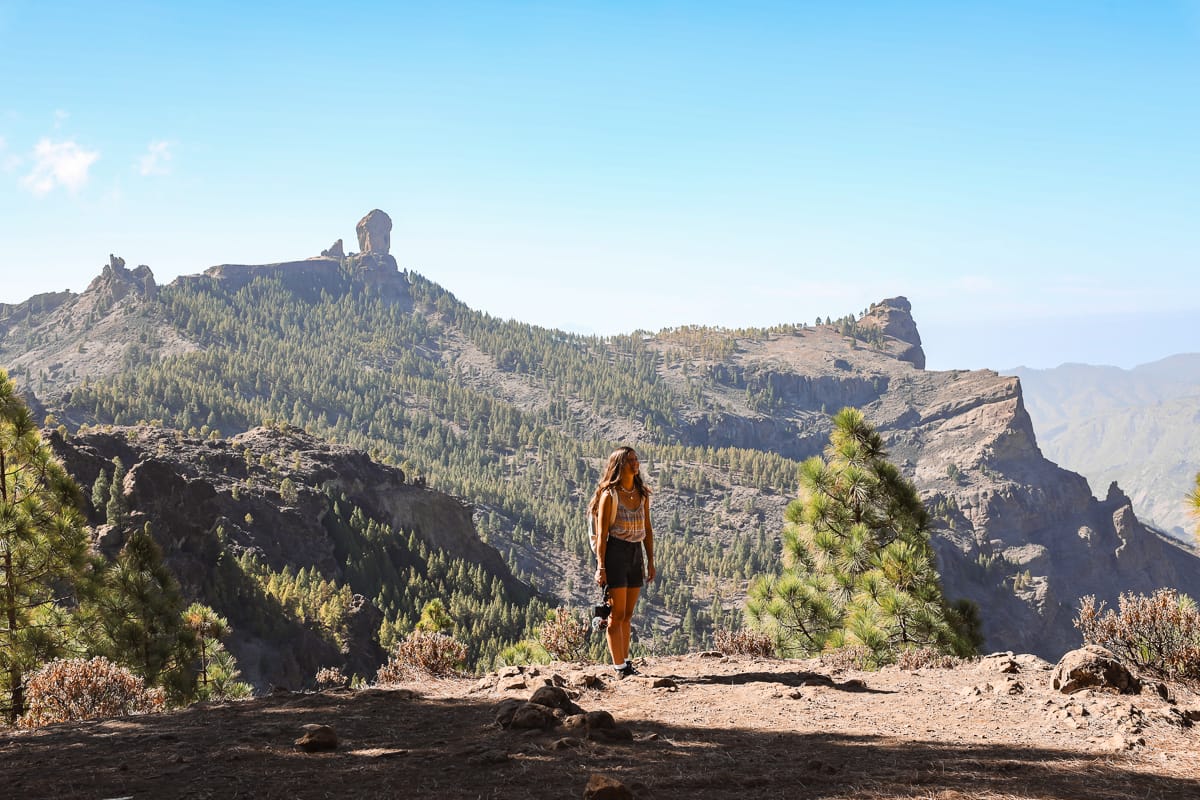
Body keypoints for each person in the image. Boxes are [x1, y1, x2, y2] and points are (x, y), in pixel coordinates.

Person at [589, 446, 655, 678]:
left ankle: (625, 662)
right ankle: (619, 667)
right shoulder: (610, 495)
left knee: (627, 614)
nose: (636, 464)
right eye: (630, 461)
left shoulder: (642, 493)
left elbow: (647, 528)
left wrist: (650, 561)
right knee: (615, 616)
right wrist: (601, 567)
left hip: (635, 553)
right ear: (620, 465)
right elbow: (602, 533)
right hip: (615, 554)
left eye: (636, 459)